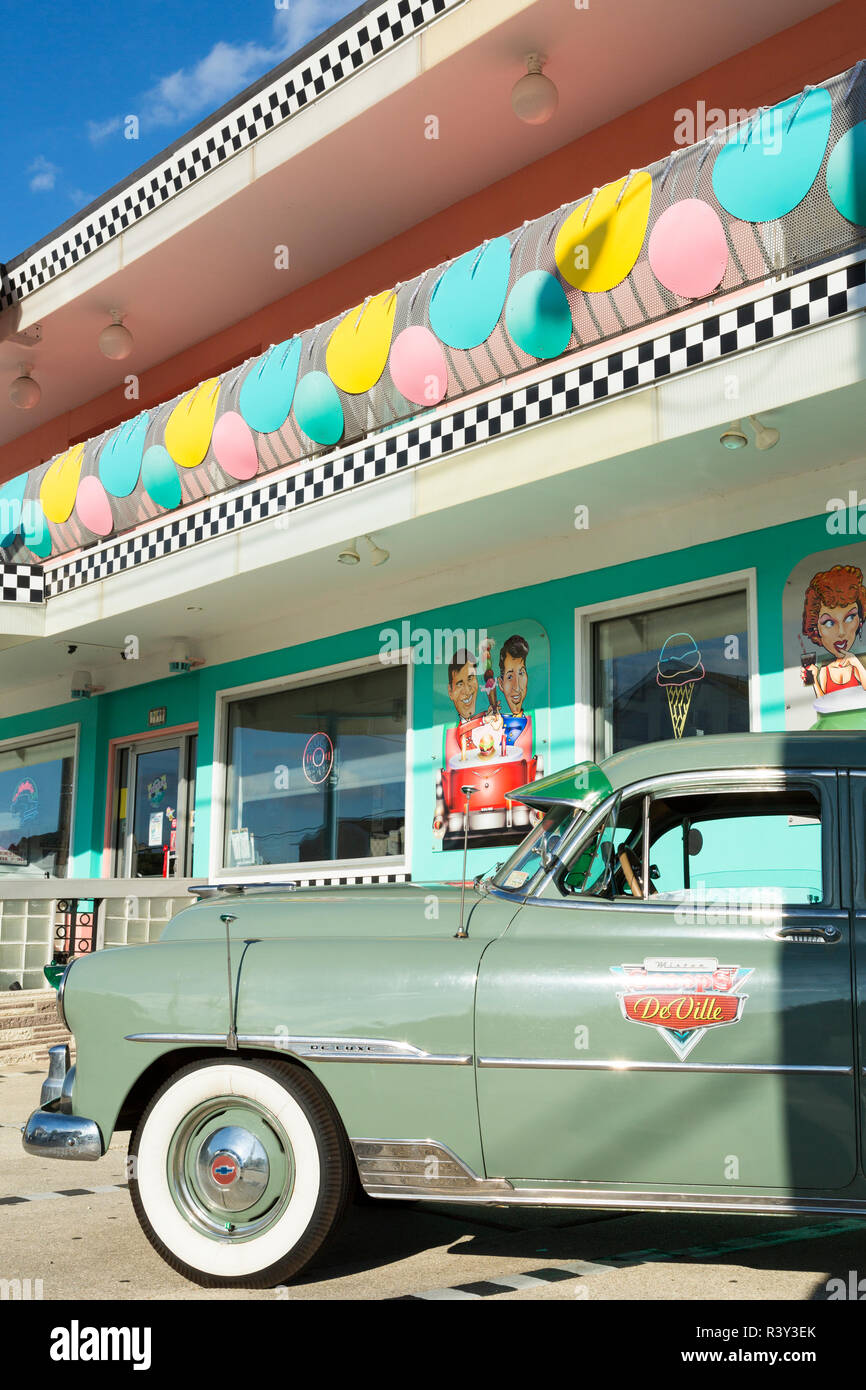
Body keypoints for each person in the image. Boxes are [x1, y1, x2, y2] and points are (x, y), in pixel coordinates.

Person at [801, 564, 866, 694]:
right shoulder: (824, 671)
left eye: (849, 618)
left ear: (859, 620)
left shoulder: (856, 667)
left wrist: (856, 663)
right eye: (829, 623)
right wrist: (813, 678)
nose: (841, 632)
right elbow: (822, 703)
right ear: (816, 629)